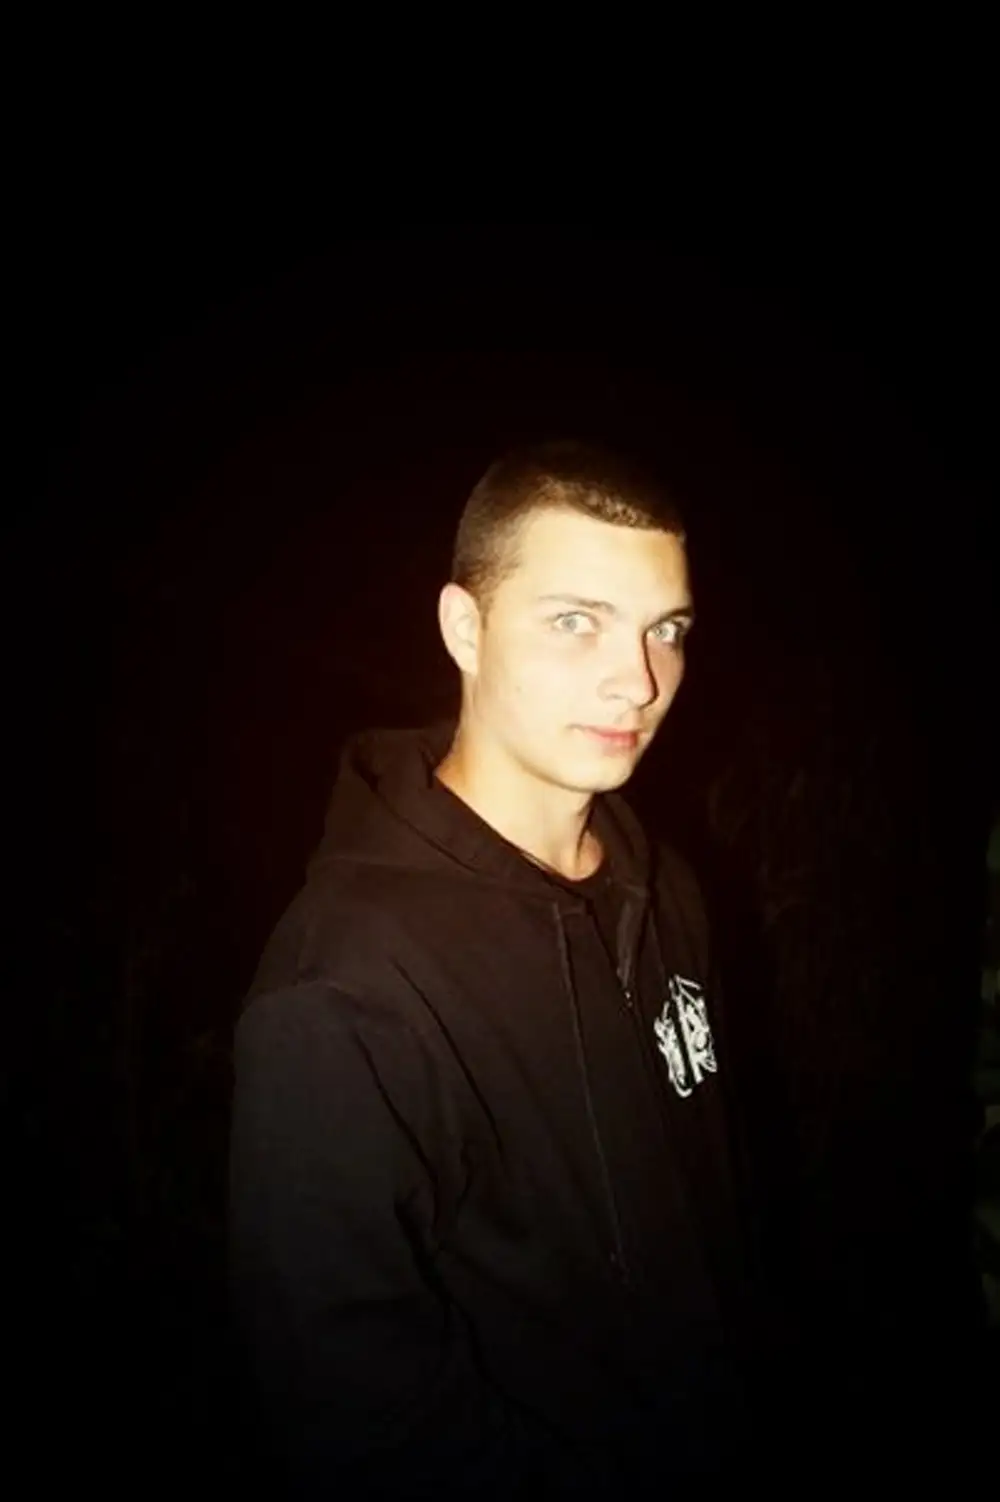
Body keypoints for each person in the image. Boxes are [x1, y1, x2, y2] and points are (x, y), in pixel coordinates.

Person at [228, 441, 771, 1498]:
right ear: (463, 628)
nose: (639, 679)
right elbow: (349, 1405)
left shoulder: (663, 886)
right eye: (575, 621)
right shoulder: (346, 985)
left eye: (665, 628)